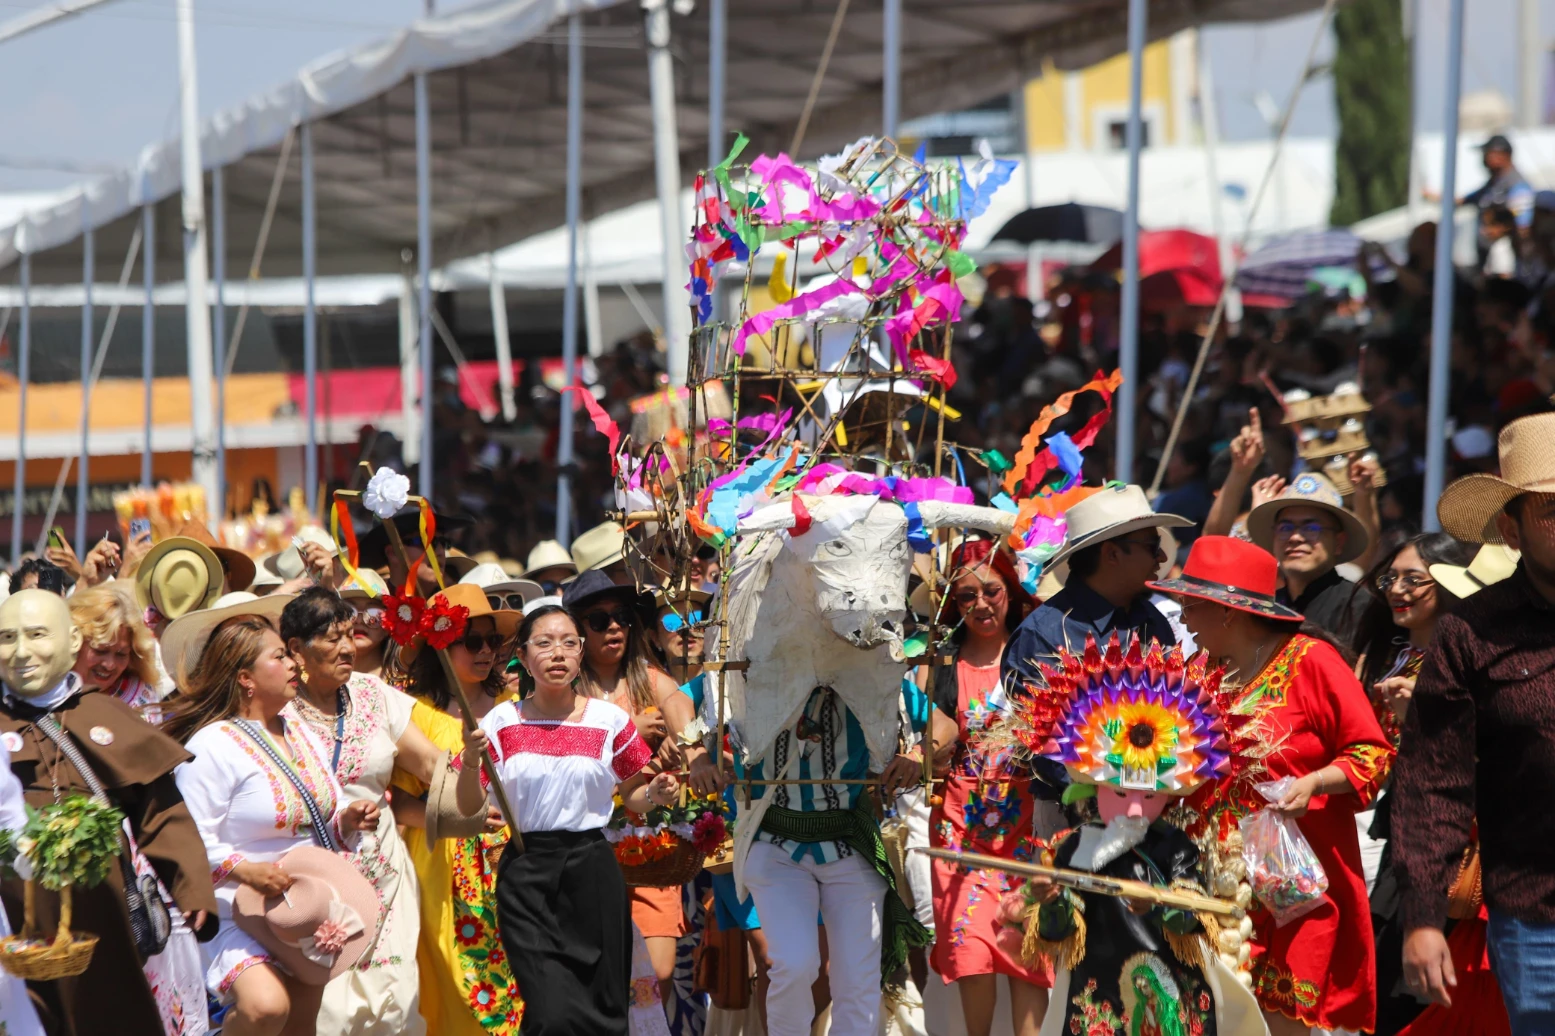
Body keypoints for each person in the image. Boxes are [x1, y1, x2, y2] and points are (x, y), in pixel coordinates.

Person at [1152, 536, 1393, 1035]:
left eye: (1190, 606)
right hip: (1210, 881)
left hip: (1292, 880)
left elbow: (1372, 752)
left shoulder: (1311, 661)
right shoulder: (1197, 673)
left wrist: (1313, 782)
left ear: (1227, 612)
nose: (1184, 620)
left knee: (1282, 1017)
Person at [989, 629, 1264, 1036]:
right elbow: (1058, 935)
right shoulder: (1076, 848)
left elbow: (1191, 921)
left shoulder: (1175, 848)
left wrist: (1159, 901)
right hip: (1095, 998)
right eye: (1120, 792)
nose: (1135, 808)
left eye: (1149, 795)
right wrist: (1050, 901)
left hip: (1168, 993)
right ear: (1093, 787)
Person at [164, 602, 401, 1036]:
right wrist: (245, 870)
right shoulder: (212, 745)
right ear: (245, 678)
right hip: (235, 911)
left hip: (301, 910)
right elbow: (187, 838)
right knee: (266, 1008)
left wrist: (347, 820)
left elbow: (322, 816)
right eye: (279, 656)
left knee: (300, 1026)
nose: (293, 663)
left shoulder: (298, 732)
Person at [1394, 413, 1555, 1036]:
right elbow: (1432, 783)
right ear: (1511, 529)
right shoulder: (1470, 632)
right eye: (1552, 510)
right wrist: (1423, 917)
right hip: (1535, 922)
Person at [0, 589, 218, 1036]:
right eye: (6, 637)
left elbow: (160, 811)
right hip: (11, 913)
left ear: (72, 641)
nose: (21, 652)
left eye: (37, 635)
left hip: (104, 910)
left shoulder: (103, 710)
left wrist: (192, 887)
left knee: (110, 1016)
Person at [477, 605, 681, 1035]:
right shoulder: (500, 722)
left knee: (603, 1010)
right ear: (523, 655)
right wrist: (466, 766)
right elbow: (470, 800)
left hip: (592, 870)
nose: (558, 653)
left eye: (569, 643)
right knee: (549, 1013)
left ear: (581, 652)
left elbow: (633, 793)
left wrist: (655, 793)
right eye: (544, 643)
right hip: (526, 871)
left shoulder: (611, 721)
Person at [281, 587, 455, 1036]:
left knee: (394, 1004)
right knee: (329, 1014)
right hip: (308, 878)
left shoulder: (374, 695)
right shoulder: (276, 707)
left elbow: (430, 764)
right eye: (332, 638)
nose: (347, 648)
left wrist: (478, 787)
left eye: (349, 635)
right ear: (296, 648)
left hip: (382, 873)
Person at [921, 539, 1053, 1036]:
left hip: (1027, 835)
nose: (980, 604)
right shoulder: (938, 666)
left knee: (1027, 957)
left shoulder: (1038, 659)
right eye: (966, 596)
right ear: (953, 605)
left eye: (991, 591)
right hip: (959, 837)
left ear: (1010, 591)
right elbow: (927, 738)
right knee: (970, 954)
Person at [565, 569, 712, 1001]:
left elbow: (683, 713)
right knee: (600, 972)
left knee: (659, 970)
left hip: (649, 847)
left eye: (622, 617)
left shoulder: (650, 679)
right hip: (584, 847)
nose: (614, 626)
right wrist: (629, 728)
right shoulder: (564, 689)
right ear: (578, 630)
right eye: (599, 620)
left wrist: (684, 749)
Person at [391, 582, 525, 1036]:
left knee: (517, 982)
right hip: (442, 867)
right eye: (472, 641)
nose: (487, 651)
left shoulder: (517, 709)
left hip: (514, 860)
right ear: (441, 645)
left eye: (493, 640)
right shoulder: (414, 715)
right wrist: (460, 819)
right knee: (450, 979)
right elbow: (400, 803)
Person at [1003, 483, 1190, 700]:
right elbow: (1032, 717)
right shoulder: (1042, 637)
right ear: (1112, 554)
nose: (1162, 558)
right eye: (1152, 547)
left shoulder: (1153, 621)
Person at [1246, 470, 1373, 639]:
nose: (1295, 537)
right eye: (1285, 528)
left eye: (1311, 528)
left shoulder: (1358, 606)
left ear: (1339, 542)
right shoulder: (1265, 608)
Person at [68, 582, 167, 719]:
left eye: (121, 654)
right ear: (74, 642)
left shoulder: (140, 700)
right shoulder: (45, 689)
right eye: (100, 651)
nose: (110, 665)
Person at [339, 569, 394, 680]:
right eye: (350, 612)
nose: (359, 621)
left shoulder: (407, 683)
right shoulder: (317, 680)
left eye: (373, 614)